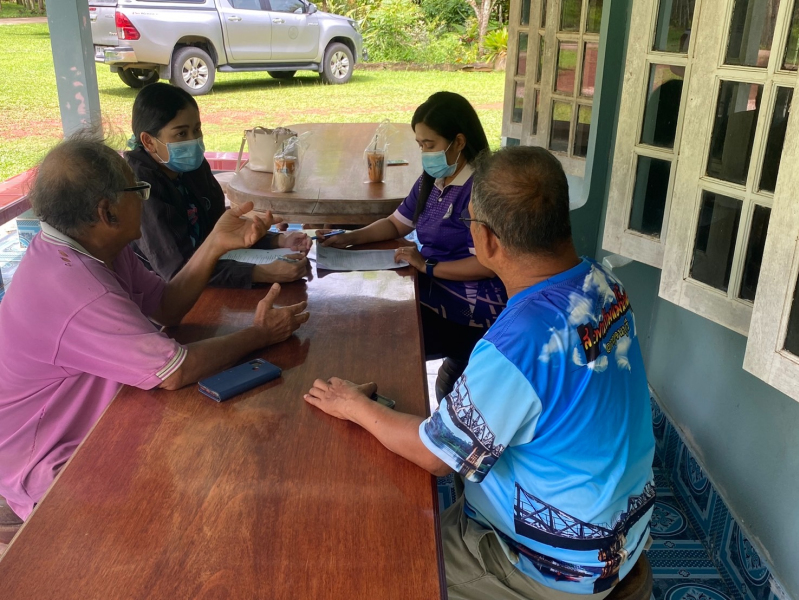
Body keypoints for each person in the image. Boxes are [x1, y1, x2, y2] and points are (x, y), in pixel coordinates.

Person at [305, 146, 655, 599]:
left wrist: (353, 405)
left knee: (382, 568)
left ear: (486, 240)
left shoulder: (519, 343)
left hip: (551, 563)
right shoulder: (604, 285)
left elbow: (435, 456)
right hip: (624, 523)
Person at [0, 135, 309, 520]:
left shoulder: (94, 249)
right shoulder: (77, 289)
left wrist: (215, 243)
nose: (144, 199)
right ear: (107, 213)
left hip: (101, 422)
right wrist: (260, 334)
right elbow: (175, 370)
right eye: (137, 190)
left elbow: (166, 307)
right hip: (51, 464)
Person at [317, 91, 507, 400]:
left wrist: (428, 265)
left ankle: (388, 401)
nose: (424, 153)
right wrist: (349, 237)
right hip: (431, 289)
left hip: (469, 311)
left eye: (430, 145)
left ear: (459, 141)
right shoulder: (434, 180)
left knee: (385, 337)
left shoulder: (480, 189)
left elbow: (487, 264)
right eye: (420, 145)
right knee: (365, 317)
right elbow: (396, 223)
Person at [125, 82, 311, 288]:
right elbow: (177, 271)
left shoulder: (192, 166)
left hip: (211, 273)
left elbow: (218, 230)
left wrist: (278, 241)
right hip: (164, 293)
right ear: (148, 141)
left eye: (197, 129)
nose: (194, 140)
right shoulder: (140, 189)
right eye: (181, 134)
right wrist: (261, 273)